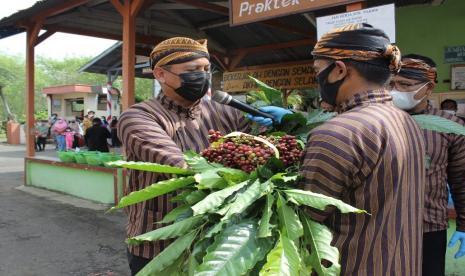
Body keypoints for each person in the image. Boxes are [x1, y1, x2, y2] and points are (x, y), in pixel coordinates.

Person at [250, 24, 426, 275]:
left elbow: (304, 216)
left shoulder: (336, 134)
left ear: (339, 70)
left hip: (354, 266)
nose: (318, 80)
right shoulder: (405, 121)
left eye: (318, 71)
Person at [117, 37, 250, 275]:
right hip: (158, 242)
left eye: (206, 69)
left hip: (217, 241)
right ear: (160, 74)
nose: (202, 76)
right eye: (192, 70)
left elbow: (258, 155)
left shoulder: (228, 113)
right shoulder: (139, 117)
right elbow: (180, 165)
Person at [389, 54, 465, 275]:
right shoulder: (377, 122)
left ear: (428, 87)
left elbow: (461, 179)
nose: (395, 90)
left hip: (429, 225)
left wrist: (463, 223)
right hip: (382, 224)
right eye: (392, 83)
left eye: (405, 84)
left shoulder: (449, 126)